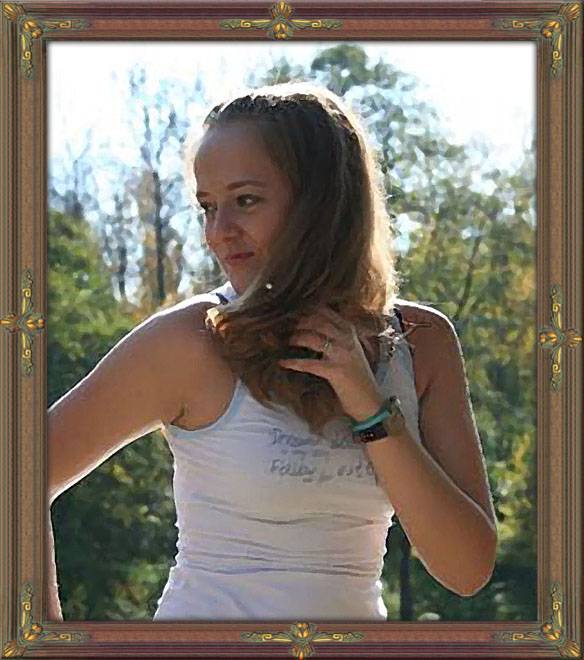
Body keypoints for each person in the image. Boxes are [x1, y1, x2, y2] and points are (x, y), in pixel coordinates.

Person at [47, 82, 497, 621]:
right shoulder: (189, 341)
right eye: (208, 207)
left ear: (322, 204)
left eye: (246, 201)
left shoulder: (421, 342)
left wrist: (370, 407)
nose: (219, 232)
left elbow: (466, 569)